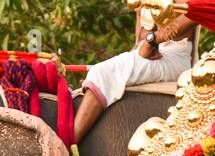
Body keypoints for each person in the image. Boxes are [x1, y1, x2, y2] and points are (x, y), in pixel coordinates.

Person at [73, 7, 197, 142]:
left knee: (101, 73)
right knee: (100, 71)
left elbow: (194, 14)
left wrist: (153, 40)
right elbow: (139, 40)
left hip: (174, 56)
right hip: (146, 51)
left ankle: (68, 147)